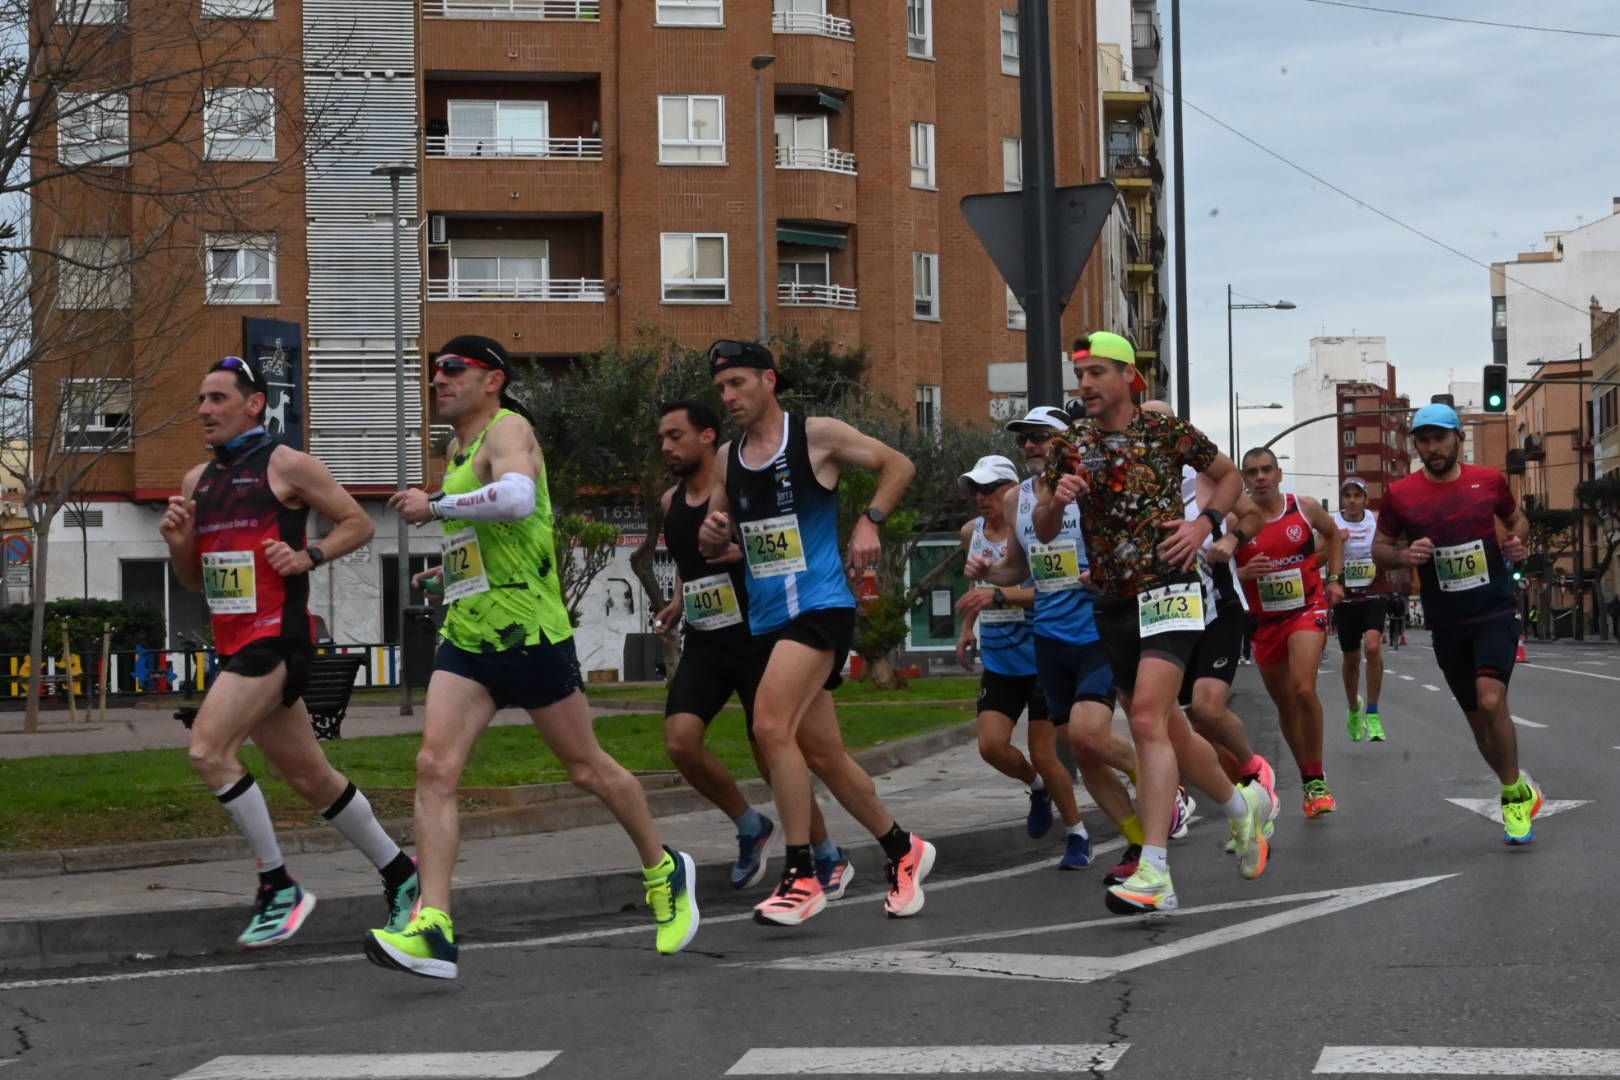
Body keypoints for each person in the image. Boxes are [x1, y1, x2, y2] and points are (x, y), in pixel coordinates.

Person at [367, 335, 698, 978]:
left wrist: (433, 506)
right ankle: (433, 925)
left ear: (491, 379)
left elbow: (517, 498)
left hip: (530, 634)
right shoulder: (457, 448)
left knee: (586, 768)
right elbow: (498, 533)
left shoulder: (509, 429)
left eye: (452, 369)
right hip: (468, 636)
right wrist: (452, 571)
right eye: (434, 369)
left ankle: (665, 870)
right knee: (434, 766)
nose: (438, 378)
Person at [160, 356, 417, 950]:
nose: (204, 410)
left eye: (218, 398)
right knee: (309, 776)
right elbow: (196, 582)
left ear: (254, 404)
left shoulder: (287, 464)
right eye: (201, 399)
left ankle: (279, 885)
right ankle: (403, 875)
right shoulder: (198, 481)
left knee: (207, 749)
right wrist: (179, 545)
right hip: (235, 642)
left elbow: (358, 522)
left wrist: (310, 556)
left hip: (278, 638)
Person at [696, 340, 934, 926]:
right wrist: (713, 536)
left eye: (739, 384)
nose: (729, 397)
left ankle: (802, 874)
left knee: (769, 726)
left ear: (768, 381)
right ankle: (904, 848)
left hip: (821, 607)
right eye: (722, 388)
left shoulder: (816, 436)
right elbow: (721, 532)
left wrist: (869, 521)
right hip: (769, 619)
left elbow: (898, 465)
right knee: (824, 755)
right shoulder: (728, 459)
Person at [1039, 333, 1271, 914]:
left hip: (1170, 589)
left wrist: (1205, 524)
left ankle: (1156, 872)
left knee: (1144, 718)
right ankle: (1242, 809)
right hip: (1111, 600)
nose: (1085, 384)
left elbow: (1230, 476)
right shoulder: (1072, 446)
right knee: (1168, 724)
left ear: (1129, 377)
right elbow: (1044, 530)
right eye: (1079, 374)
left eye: (1096, 373)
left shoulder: (1166, 432)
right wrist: (1053, 500)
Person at [651, 401, 850, 896]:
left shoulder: (742, 493)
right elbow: (686, 558)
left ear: (708, 439)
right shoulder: (668, 501)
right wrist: (678, 599)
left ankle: (825, 853)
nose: (667, 448)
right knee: (680, 741)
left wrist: (744, 553)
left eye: (676, 436)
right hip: (705, 639)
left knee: (772, 751)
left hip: (758, 634)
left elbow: (775, 544)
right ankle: (748, 824)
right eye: (662, 439)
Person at [1371, 403, 1542, 844]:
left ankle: (1510, 799)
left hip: (1494, 609)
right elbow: (1381, 548)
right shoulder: (1401, 495)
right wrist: (1404, 556)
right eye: (1424, 440)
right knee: (1478, 722)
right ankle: (1518, 784)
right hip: (1446, 622)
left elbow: (1516, 520)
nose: (1433, 448)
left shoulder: (1488, 482)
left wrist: (1517, 541)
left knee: (1491, 700)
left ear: (1457, 439)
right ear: (1417, 445)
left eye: (1440, 438)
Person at [1139, 402, 1279, 834]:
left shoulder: (1204, 479)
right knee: (1183, 722)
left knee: (1206, 707)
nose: (1149, 434)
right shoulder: (1131, 486)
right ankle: (1236, 793)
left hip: (1218, 609)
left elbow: (1254, 513)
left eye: (1159, 425)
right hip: (1165, 616)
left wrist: (1231, 541)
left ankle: (1255, 769)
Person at [955, 452, 1095, 870]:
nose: (982, 498)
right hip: (999, 656)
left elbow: (1050, 588)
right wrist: (967, 629)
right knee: (991, 746)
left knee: (1045, 751)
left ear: (1010, 489)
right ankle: (1036, 788)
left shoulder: (1033, 530)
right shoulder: (970, 533)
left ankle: (1077, 834)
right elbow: (976, 581)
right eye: (976, 490)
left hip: (1038, 651)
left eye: (990, 489)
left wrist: (1002, 594)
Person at [1229, 448, 1344, 820]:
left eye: (1266, 470)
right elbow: (1218, 569)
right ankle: (1309, 773)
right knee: (1286, 705)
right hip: (1265, 624)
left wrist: (1336, 579)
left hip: (1307, 609)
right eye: (1252, 473)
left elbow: (1334, 535)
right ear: (1243, 480)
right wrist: (1241, 575)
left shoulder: (1303, 507)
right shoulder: (1235, 521)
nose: (1260, 478)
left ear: (1279, 474)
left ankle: (1315, 781)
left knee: (1303, 688)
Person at [1331, 478, 1387, 742]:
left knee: (1373, 647)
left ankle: (1373, 713)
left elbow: (1389, 546)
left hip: (1374, 592)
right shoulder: (1334, 524)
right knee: (1351, 659)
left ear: (1365, 499)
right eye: (1347, 496)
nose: (1352, 500)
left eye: (1357, 495)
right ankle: (1354, 707)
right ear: (1342, 500)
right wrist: (1334, 543)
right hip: (1346, 598)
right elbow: (1319, 555)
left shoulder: (1375, 520)